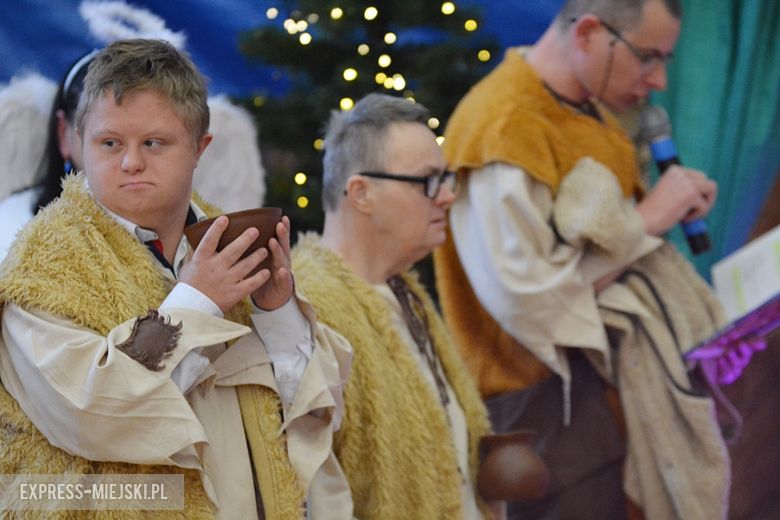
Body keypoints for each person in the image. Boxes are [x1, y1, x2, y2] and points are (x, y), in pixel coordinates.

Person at [0, 39, 352, 519]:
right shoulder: (40, 263)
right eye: (109, 143)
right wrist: (197, 301)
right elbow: (91, 415)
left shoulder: (233, 243)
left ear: (199, 148)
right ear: (78, 141)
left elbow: (316, 408)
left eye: (153, 142)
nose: (130, 163)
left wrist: (278, 312)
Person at [434, 1, 729, 519]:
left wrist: (648, 214)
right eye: (647, 57)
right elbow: (526, 301)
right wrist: (647, 222)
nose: (658, 80)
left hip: (604, 397)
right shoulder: (503, 124)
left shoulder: (586, 110)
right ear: (590, 32)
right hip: (539, 415)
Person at [291, 93, 496, 519]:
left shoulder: (404, 291)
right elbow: (306, 488)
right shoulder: (308, 306)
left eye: (446, 179)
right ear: (362, 193)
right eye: (428, 181)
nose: (446, 197)